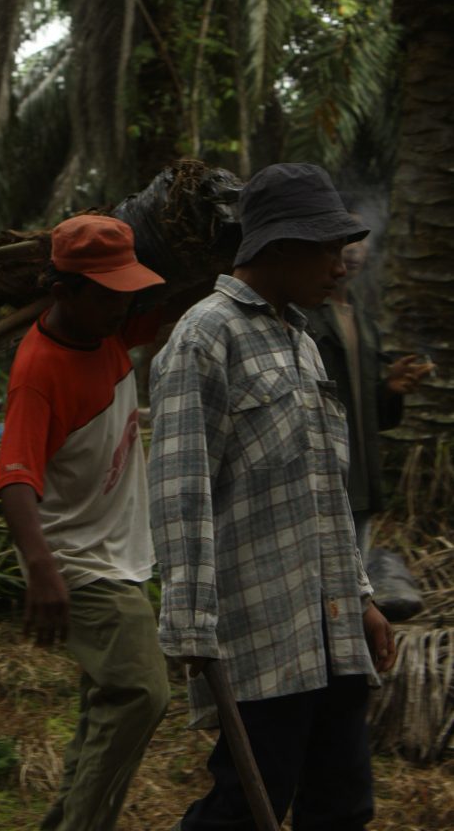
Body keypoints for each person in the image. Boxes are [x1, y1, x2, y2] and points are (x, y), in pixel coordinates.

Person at [148, 163, 397, 831]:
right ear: (277, 247)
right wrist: (190, 621)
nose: (341, 267)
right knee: (246, 804)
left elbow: (325, 491)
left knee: (343, 805)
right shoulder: (204, 337)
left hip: (330, 617)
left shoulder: (302, 342)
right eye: (326, 249)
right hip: (258, 623)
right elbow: (180, 490)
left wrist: (363, 599)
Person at [0, 214, 172, 831]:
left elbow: (176, 304)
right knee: (141, 693)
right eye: (109, 293)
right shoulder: (39, 370)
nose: (124, 306)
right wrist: (43, 571)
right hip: (80, 562)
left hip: (119, 553)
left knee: (106, 705)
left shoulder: (110, 331)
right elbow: (15, 476)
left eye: (129, 291)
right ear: (63, 289)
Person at [305, 211, 433, 561]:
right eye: (345, 242)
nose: (354, 251)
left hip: (360, 472)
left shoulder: (365, 322)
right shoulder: (304, 316)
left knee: (355, 574)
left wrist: (390, 388)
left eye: (361, 242)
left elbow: (370, 411)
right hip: (318, 473)